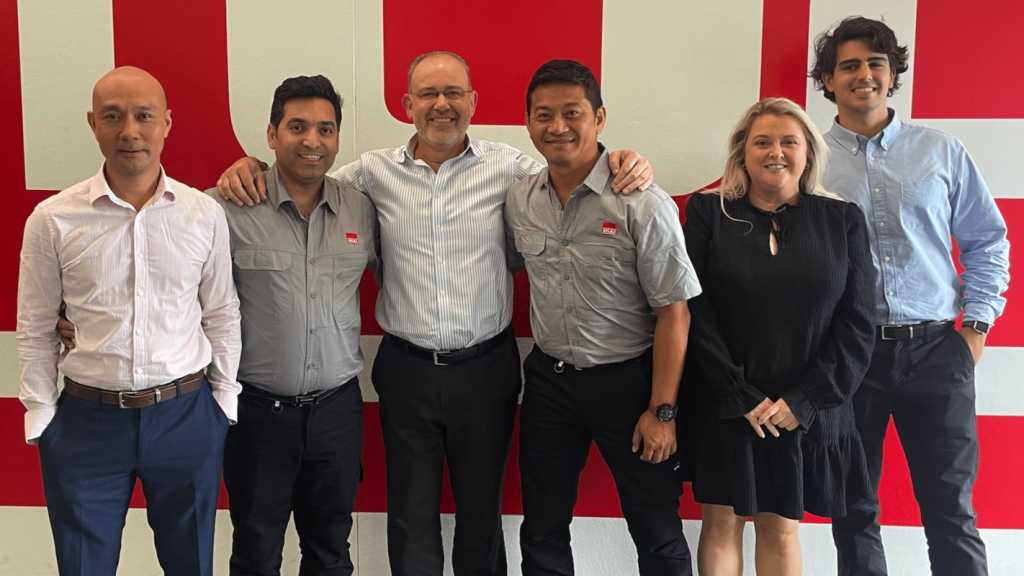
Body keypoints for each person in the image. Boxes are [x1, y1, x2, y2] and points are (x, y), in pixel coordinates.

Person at [214, 51, 653, 576]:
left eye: (452, 94)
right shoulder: (370, 177)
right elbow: (307, 172)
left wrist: (624, 160)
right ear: (407, 105)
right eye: (427, 94)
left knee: (480, 514)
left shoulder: (512, 170)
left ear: (473, 102)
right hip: (407, 371)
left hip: (486, 370)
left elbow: (576, 176)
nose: (441, 105)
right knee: (410, 515)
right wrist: (252, 167)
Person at [16, 66, 240, 576]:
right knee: (83, 566)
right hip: (85, 423)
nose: (130, 132)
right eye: (113, 117)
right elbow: (34, 324)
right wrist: (42, 416)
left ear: (167, 123)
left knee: (191, 564)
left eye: (143, 116)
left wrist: (222, 404)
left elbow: (222, 313)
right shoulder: (53, 219)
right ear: (93, 124)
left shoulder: (202, 214)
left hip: (186, 414)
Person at [809, 17, 1011, 576]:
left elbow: (987, 240)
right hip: (848, 358)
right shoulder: (810, 160)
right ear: (827, 80)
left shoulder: (940, 150)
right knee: (853, 510)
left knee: (951, 512)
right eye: (848, 65)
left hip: (935, 352)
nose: (863, 75)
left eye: (875, 63)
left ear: (893, 73)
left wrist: (975, 328)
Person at [506, 59, 700, 575]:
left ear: (599, 117)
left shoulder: (641, 202)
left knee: (656, 529)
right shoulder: (520, 198)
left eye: (573, 113)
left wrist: (662, 412)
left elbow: (674, 313)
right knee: (542, 528)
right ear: (528, 123)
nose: (558, 127)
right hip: (550, 381)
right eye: (543, 115)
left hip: (630, 384)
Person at [682, 97, 876, 576]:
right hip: (725, 400)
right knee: (721, 521)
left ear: (808, 152)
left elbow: (858, 322)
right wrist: (737, 393)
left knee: (781, 527)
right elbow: (692, 310)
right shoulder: (709, 214)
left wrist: (805, 400)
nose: (776, 152)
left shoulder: (843, 219)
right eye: (762, 141)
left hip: (802, 408)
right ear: (741, 152)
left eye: (789, 142)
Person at [214, 75, 375, 575]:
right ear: (271, 134)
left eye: (326, 130)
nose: (312, 141)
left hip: (336, 412)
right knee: (257, 552)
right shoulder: (224, 208)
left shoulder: (361, 207)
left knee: (331, 553)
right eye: (298, 127)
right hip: (258, 413)